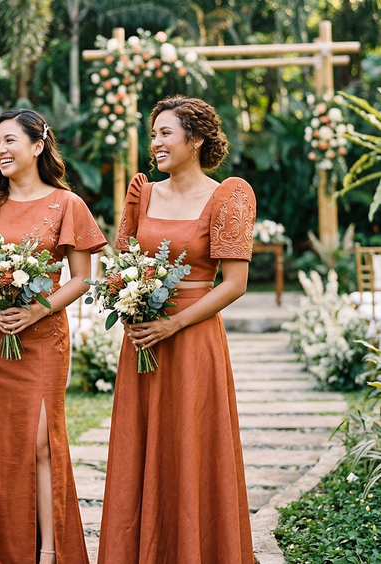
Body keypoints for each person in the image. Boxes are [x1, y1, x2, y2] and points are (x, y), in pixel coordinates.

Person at [97, 96, 256, 564]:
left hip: (193, 336)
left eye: (165, 133)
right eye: (154, 134)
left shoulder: (228, 195)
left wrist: (176, 324)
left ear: (196, 138)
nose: (156, 144)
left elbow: (235, 284)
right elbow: (121, 264)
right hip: (144, 335)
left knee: (192, 443)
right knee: (139, 445)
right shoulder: (143, 193)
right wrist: (129, 302)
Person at [0, 108, 106, 564]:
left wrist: (36, 310)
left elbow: (80, 279)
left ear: (38, 146)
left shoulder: (66, 204)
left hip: (42, 337)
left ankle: (49, 551)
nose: (0, 150)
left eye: (10, 141)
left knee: (41, 441)